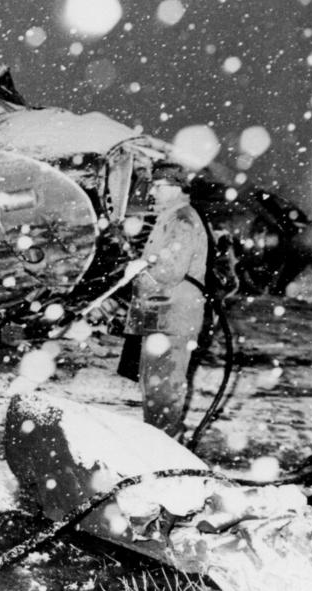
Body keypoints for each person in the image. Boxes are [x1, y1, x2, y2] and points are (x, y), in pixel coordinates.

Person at [118, 164, 209, 437]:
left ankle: (166, 450)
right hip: (161, 315)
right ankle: (159, 444)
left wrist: (141, 267)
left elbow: (170, 270)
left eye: (159, 186)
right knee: (154, 386)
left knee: (164, 388)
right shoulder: (170, 217)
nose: (153, 191)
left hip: (172, 317)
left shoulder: (182, 219)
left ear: (177, 188)